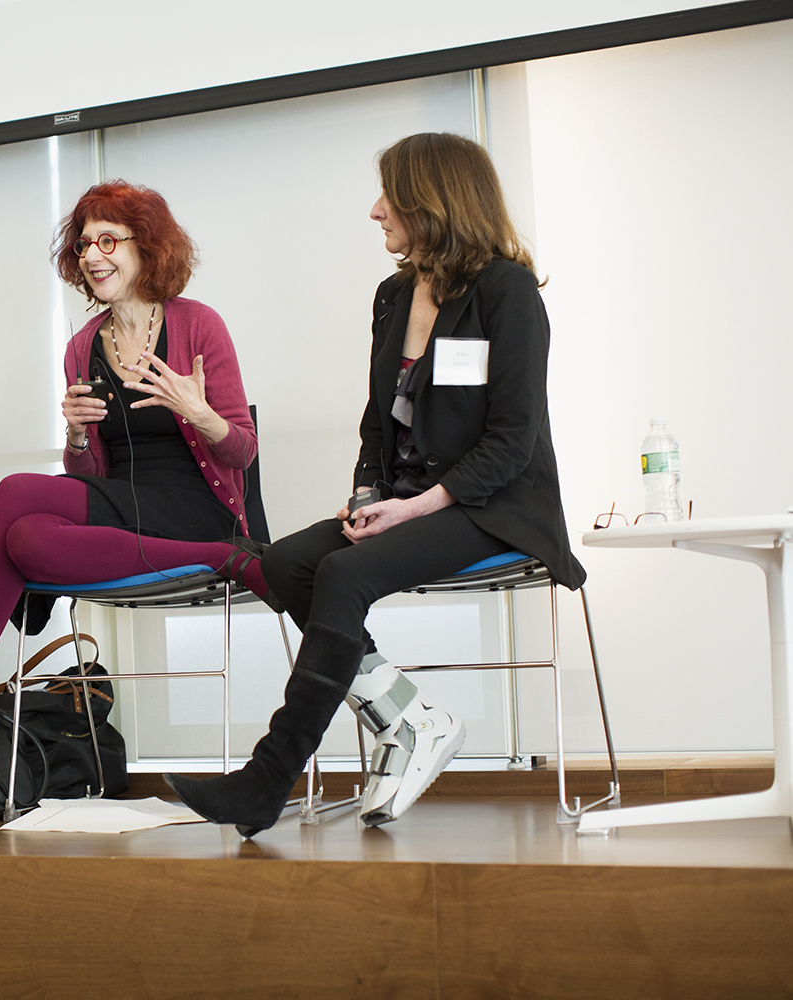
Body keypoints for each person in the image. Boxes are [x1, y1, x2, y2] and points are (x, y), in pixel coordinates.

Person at [168, 132, 586, 836]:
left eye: (389, 194)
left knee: (343, 575)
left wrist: (415, 507)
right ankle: (414, 718)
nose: (374, 210)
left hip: (495, 505)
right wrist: (369, 496)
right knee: (284, 562)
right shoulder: (394, 294)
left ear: (434, 198)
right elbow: (378, 420)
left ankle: (267, 778)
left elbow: (512, 443)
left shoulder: (507, 292)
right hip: (411, 501)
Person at [0, 180, 278, 752]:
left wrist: (199, 411)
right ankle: (221, 562)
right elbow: (90, 481)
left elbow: (241, 449)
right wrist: (76, 434)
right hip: (127, 510)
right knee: (27, 539)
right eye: (85, 245)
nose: (92, 256)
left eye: (108, 241)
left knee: (16, 491)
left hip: (198, 507)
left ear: (149, 247)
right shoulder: (83, 345)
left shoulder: (198, 325)